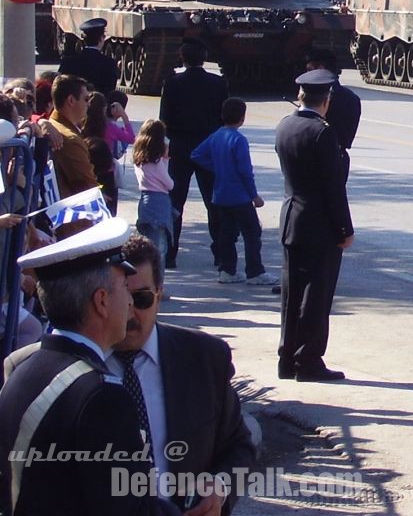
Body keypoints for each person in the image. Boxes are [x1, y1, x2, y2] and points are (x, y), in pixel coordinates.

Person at [0, 217, 157, 515]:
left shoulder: (22, 369)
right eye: (125, 288)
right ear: (101, 301)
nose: (130, 304)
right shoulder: (102, 397)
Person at [109, 233, 257, 516]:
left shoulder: (203, 357)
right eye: (121, 300)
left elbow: (240, 446)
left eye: (140, 299)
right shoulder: (74, 368)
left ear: (159, 294)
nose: (129, 314)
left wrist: (219, 486)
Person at [275, 70, 354, 382]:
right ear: (327, 100)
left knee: (291, 292)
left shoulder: (286, 125)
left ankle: (287, 357)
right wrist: (345, 229)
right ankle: (308, 360)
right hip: (319, 223)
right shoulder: (322, 133)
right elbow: (333, 187)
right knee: (316, 295)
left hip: (291, 216)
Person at [192, 98, 277, 286]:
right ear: (242, 118)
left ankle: (227, 269)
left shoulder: (216, 136)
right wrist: (254, 195)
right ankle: (255, 271)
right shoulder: (239, 140)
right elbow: (245, 171)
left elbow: (196, 155)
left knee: (227, 234)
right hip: (239, 195)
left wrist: (217, 167)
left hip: (220, 194)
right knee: (252, 232)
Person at [159, 41, 228, 269]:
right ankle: (220, 254)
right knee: (214, 201)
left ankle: (169, 253)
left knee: (175, 201)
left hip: (180, 145)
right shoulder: (218, 83)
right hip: (208, 146)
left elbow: (164, 118)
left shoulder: (172, 83)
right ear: (204, 57)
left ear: (182, 58)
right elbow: (223, 116)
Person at [133, 119, 177, 268]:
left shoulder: (139, 160)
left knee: (147, 245)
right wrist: (166, 160)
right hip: (159, 202)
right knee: (159, 250)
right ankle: (157, 285)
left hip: (145, 201)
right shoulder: (157, 163)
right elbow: (170, 184)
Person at [48, 74, 99, 197]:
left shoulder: (52, 124)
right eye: (86, 99)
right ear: (71, 100)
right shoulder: (70, 139)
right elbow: (89, 186)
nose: (89, 104)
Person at [305, 48, 361, 150]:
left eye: (309, 70)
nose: (307, 74)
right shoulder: (352, 98)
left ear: (320, 68)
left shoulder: (316, 95)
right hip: (340, 156)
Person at [58, 17, 119, 95]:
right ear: (100, 39)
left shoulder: (68, 62)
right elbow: (110, 90)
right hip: (100, 105)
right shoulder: (109, 64)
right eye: (104, 36)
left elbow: (61, 86)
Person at [83, 92, 120, 215]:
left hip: (89, 164)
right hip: (106, 167)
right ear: (104, 108)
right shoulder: (109, 126)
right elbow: (130, 137)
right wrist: (123, 116)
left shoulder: (81, 126)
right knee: (108, 209)